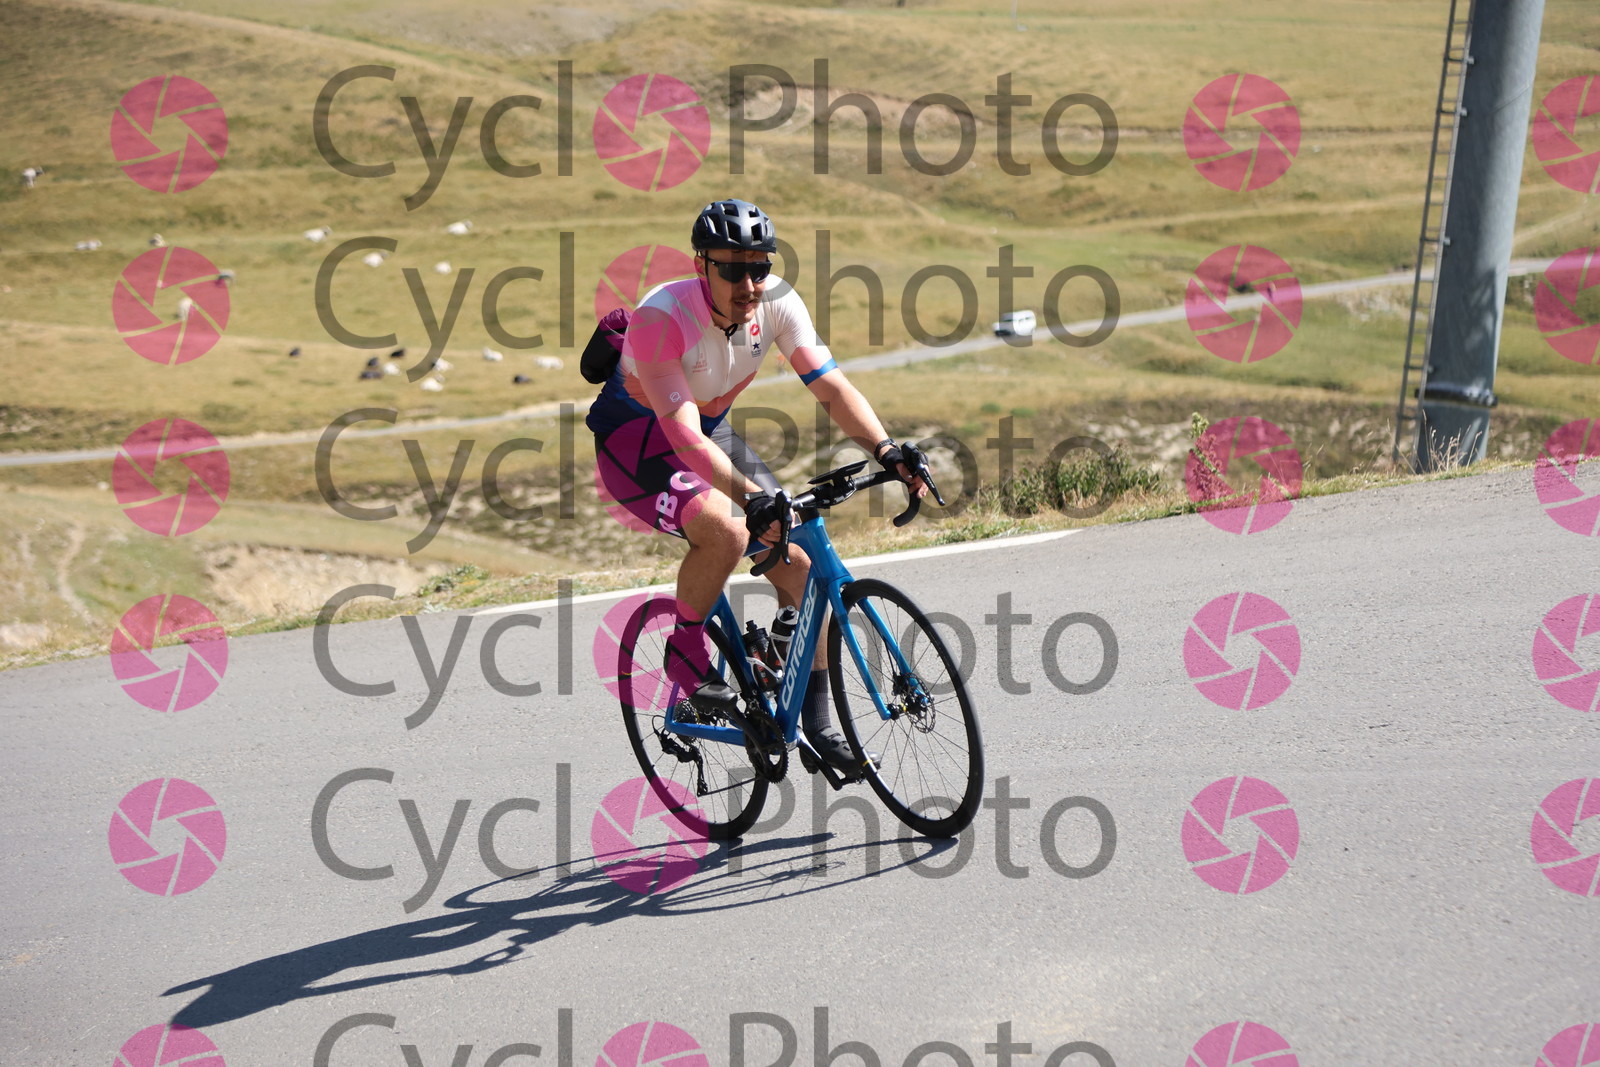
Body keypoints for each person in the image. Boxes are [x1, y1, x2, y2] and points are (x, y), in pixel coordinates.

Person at [587, 199, 927, 773]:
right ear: (701, 265)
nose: (749, 285)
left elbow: (831, 387)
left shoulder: (777, 303)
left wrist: (887, 449)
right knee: (727, 531)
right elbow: (681, 436)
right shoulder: (661, 318)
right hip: (639, 444)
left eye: (759, 268)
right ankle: (685, 650)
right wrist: (751, 499)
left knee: (803, 565)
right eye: (731, 270)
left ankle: (814, 722)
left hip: (706, 431)